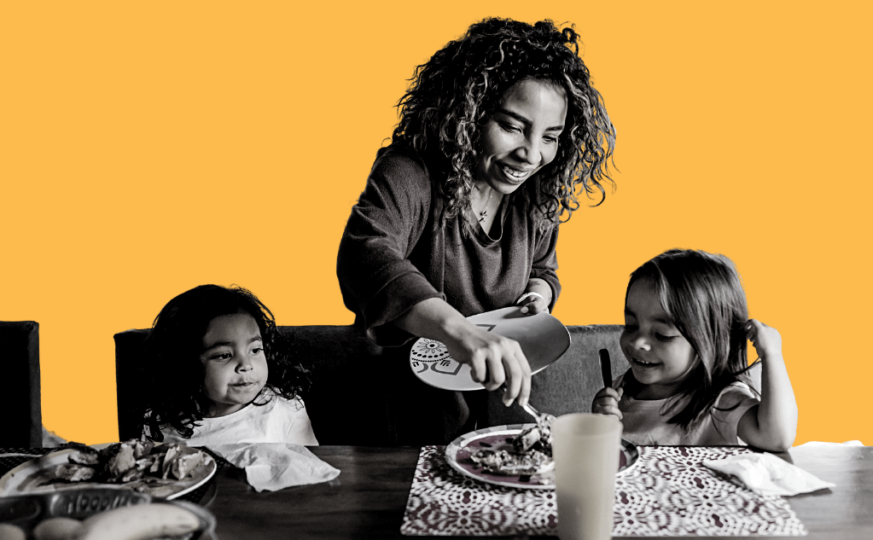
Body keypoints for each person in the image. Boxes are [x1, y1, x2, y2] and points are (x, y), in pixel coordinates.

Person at [337, 18, 615, 443]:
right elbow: (363, 253)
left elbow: (544, 269)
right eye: (512, 126)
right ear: (467, 113)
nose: (531, 155)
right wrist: (462, 333)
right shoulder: (412, 173)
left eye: (550, 137)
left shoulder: (536, 195)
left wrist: (538, 298)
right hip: (409, 418)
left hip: (505, 407)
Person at [592, 250, 798, 451]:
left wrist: (772, 355)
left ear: (709, 342)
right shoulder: (621, 390)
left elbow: (777, 438)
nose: (637, 342)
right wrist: (600, 424)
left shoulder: (722, 402)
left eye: (662, 334)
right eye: (630, 325)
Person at [140, 285, 318, 446]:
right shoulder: (160, 420)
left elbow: (313, 469)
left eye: (255, 350)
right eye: (224, 355)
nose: (246, 365)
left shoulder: (285, 409)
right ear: (184, 364)